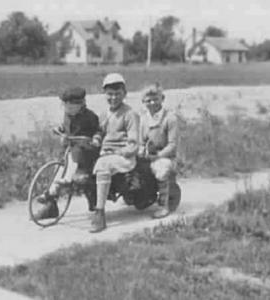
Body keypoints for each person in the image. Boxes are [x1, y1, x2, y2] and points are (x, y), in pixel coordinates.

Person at [34, 86, 101, 219]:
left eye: (71, 107)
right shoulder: (68, 114)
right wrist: (59, 129)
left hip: (86, 151)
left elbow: (97, 130)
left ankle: (68, 178)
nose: (68, 110)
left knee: (74, 157)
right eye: (65, 107)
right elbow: (65, 126)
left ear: (81, 104)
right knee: (60, 167)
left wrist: (96, 138)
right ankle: (50, 193)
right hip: (70, 148)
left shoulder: (90, 117)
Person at [90, 73, 140, 233]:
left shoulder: (130, 114)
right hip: (106, 154)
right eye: (110, 94)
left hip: (124, 157)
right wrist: (96, 139)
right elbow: (100, 131)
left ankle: (99, 213)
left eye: (118, 94)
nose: (113, 98)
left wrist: (117, 151)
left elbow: (133, 144)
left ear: (124, 94)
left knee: (103, 165)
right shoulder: (105, 114)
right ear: (104, 94)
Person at [138, 83, 178, 219]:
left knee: (161, 169)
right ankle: (139, 196)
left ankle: (163, 206)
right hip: (149, 154)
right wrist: (142, 150)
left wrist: (158, 155)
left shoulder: (169, 118)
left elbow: (172, 145)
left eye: (155, 99)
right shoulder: (143, 119)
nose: (152, 102)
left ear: (162, 98)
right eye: (148, 100)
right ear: (143, 102)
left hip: (165, 156)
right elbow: (141, 141)